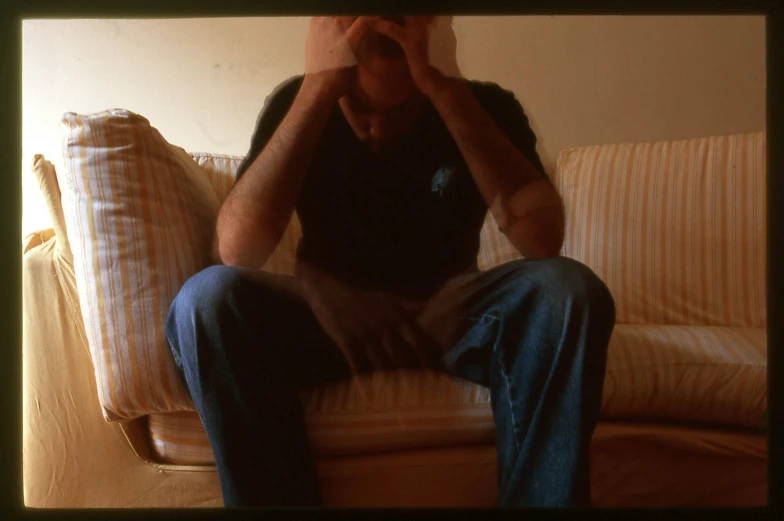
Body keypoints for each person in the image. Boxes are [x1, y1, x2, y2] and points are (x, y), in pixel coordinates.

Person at [165, 16, 616, 508]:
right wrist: (318, 88)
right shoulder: (295, 102)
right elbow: (237, 249)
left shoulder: (486, 105)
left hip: (455, 316)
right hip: (330, 319)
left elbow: (542, 238)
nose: (386, 21)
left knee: (566, 291)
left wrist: (446, 89)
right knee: (205, 301)